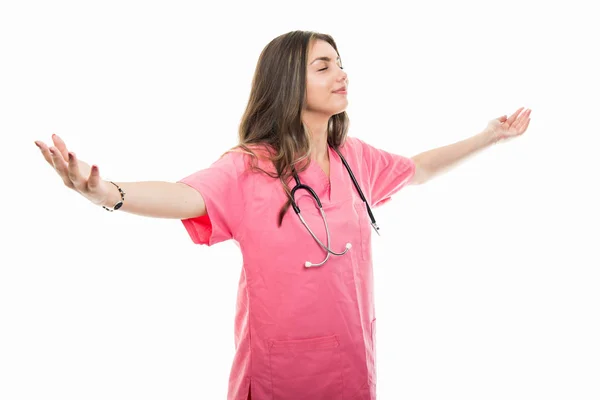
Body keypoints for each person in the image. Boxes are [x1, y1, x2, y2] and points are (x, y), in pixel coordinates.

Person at [34, 30, 531, 400]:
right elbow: (184, 196)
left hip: (354, 369)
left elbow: (418, 169)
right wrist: (106, 192)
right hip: (282, 378)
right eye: (324, 66)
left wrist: (490, 136)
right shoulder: (250, 167)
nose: (342, 74)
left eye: (340, 63)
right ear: (290, 82)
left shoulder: (353, 158)